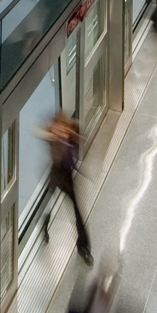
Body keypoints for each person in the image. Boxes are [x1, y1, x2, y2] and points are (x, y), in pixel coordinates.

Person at [42, 112, 93, 266]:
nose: (61, 130)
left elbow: (80, 136)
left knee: (77, 212)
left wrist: (71, 135)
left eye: (63, 127)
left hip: (68, 179)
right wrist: (57, 136)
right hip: (57, 176)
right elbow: (44, 134)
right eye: (57, 127)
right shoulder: (54, 141)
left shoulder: (71, 136)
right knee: (49, 204)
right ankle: (44, 226)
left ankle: (83, 247)